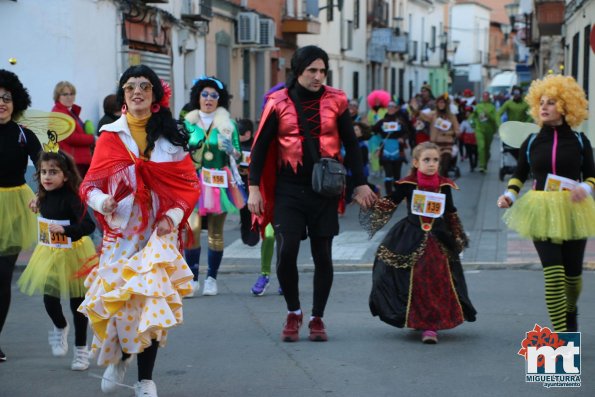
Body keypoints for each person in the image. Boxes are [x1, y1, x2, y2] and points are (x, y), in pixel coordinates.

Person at [77, 65, 200, 397]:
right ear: (123, 95)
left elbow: (189, 186)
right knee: (117, 302)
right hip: (120, 234)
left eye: (144, 86)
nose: (137, 92)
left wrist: (172, 217)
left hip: (158, 236)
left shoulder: (172, 137)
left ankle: (145, 379)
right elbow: (89, 185)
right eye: (130, 86)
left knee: (150, 306)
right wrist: (103, 202)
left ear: (155, 94)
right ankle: (118, 359)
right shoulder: (110, 136)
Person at [248, 45, 376, 342]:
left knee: (323, 256)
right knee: (287, 251)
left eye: (322, 70)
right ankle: (294, 312)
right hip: (288, 188)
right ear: (298, 71)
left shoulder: (337, 100)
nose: (319, 76)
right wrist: (254, 189)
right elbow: (260, 147)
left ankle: (317, 317)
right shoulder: (277, 102)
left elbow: (352, 144)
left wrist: (361, 182)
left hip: (324, 189)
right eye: (312, 71)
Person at [497, 74, 595, 333]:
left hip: (574, 211)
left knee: (572, 279)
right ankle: (564, 336)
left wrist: (585, 188)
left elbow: (592, 175)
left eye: (551, 102)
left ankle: (571, 310)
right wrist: (509, 195)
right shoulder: (531, 142)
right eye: (541, 102)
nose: (544, 107)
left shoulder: (579, 142)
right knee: (553, 277)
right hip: (540, 210)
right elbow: (519, 175)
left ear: (565, 106)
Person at [361, 141, 476, 343]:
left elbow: (450, 211)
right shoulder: (408, 184)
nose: (432, 164)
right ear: (416, 162)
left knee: (434, 279)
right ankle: (417, 317)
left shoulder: (444, 185)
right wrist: (371, 202)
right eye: (427, 160)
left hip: (437, 238)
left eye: (435, 160)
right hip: (410, 235)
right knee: (410, 278)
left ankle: (431, 325)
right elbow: (391, 202)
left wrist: (456, 235)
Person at [17, 148, 96, 371]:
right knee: (50, 300)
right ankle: (60, 326)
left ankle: (81, 350)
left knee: (77, 304)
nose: (47, 177)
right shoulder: (42, 195)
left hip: (75, 252)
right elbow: (43, 204)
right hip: (50, 252)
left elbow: (89, 225)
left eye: (53, 172)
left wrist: (66, 228)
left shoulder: (73, 198)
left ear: (66, 176)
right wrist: (36, 203)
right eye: (43, 172)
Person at [183, 76, 245, 296]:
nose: (209, 99)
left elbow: (238, 156)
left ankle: (211, 278)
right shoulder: (188, 124)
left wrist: (232, 151)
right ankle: (192, 278)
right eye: (205, 94)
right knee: (192, 230)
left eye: (214, 95)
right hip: (192, 182)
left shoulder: (228, 125)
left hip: (218, 181)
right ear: (197, 97)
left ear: (220, 99)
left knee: (215, 233)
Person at [0, 70, 42, 362]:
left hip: (15, 208)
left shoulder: (24, 134)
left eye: (6, 98)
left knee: (2, 278)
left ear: (16, 103)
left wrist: (43, 194)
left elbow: (47, 166)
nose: (1, 103)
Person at [51, 81, 95, 177]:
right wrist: (93, 139)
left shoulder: (69, 112)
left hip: (78, 161)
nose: (69, 97)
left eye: (72, 94)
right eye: (65, 94)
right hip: (72, 161)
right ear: (58, 96)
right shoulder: (60, 114)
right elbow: (70, 137)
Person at [411, 93, 460, 177]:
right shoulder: (433, 114)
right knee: (436, 167)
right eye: (439, 102)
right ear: (437, 104)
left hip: (447, 145)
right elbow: (422, 115)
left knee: (445, 165)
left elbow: (457, 131)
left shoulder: (451, 116)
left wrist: (448, 133)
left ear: (446, 104)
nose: (441, 104)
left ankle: (443, 183)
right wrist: (415, 109)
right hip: (435, 145)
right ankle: (438, 184)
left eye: (443, 102)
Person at [372, 100, 409, 194]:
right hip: (385, 149)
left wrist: (402, 138)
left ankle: (397, 193)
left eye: (393, 107)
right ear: (387, 108)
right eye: (389, 106)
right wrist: (375, 120)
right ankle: (389, 194)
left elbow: (406, 132)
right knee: (388, 174)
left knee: (397, 175)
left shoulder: (400, 121)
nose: (391, 108)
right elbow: (373, 130)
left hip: (397, 149)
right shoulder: (383, 121)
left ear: (396, 109)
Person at [471, 92, 499, 173]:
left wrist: (488, 114)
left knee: (486, 148)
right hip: (479, 129)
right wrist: (472, 124)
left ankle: (485, 163)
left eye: (486, 96)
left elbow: (495, 119)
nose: (485, 97)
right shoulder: (478, 106)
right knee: (482, 146)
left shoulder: (492, 107)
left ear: (489, 97)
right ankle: (482, 165)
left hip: (489, 130)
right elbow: (472, 116)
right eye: (484, 96)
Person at [460, 107, 478, 172]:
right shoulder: (464, 122)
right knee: (469, 152)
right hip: (467, 138)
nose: (467, 114)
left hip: (475, 137)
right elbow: (460, 131)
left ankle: (475, 162)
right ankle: (471, 165)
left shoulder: (476, 120)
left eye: (469, 113)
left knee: (476, 152)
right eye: (466, 113)